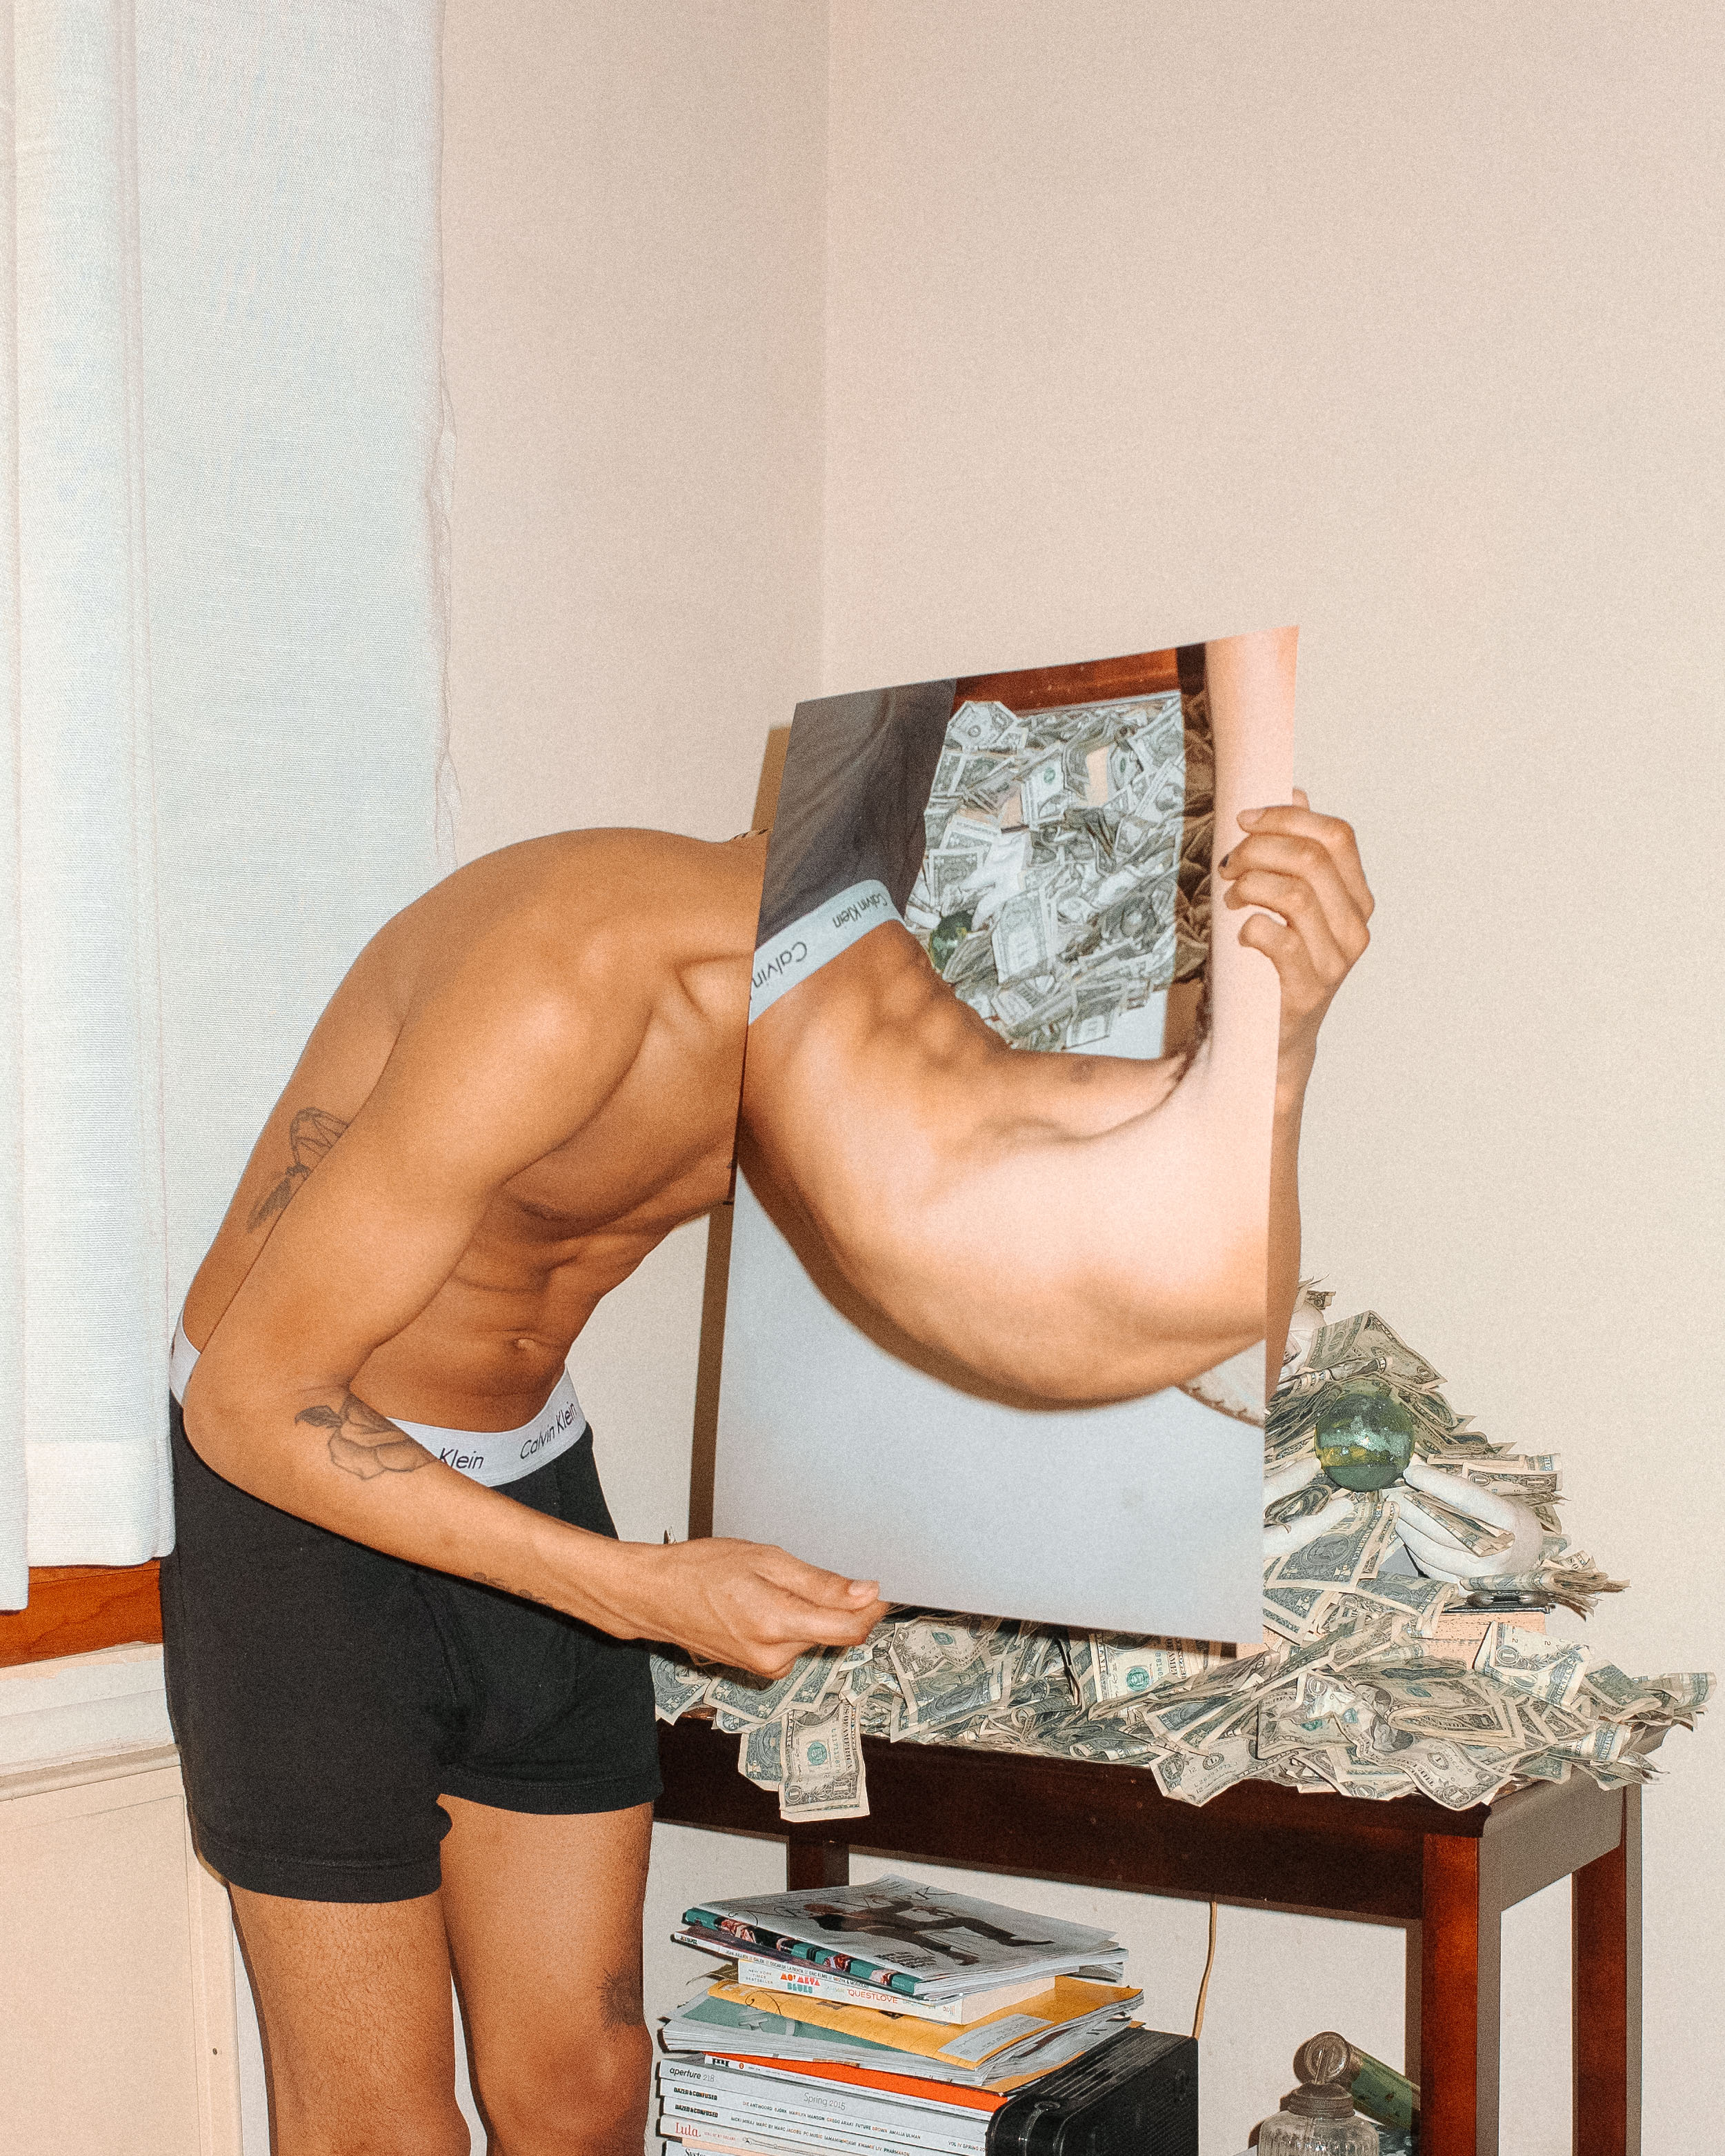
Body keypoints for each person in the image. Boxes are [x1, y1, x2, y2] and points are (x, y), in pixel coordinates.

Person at [167, 654, 1370, 2156]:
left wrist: (1280, 1036)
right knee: (381, 2131)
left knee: (583, 2087)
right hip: (302, 1501)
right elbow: (252, 1402)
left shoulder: (908, 1026)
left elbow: (1216, 1315)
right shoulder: (567, 975)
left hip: (527, 1468)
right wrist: (638, 1589)